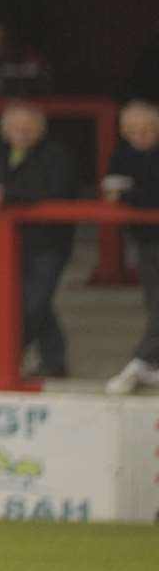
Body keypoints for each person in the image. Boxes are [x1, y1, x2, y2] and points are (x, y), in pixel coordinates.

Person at [0, 102, 80, 379]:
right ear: (4, 129)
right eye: (16, 127)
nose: (22, 132)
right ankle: (54, 362)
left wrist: (7, 195)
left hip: (49, 242)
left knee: (34, 302)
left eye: (28, 127)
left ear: (41, 129)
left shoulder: (57, 155)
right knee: (32, 302)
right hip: (5, 241)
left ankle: (11, 355)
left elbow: (57, 189)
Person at [103, 101, 159, 394]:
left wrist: (129, 195)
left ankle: (140, 360)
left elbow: (145, 195)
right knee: (153, 300)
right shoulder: (124, 153)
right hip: (147, 239)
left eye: (147, 129)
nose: (141, 136)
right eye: (133, 131)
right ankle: (152, 364)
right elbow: (113, 184)